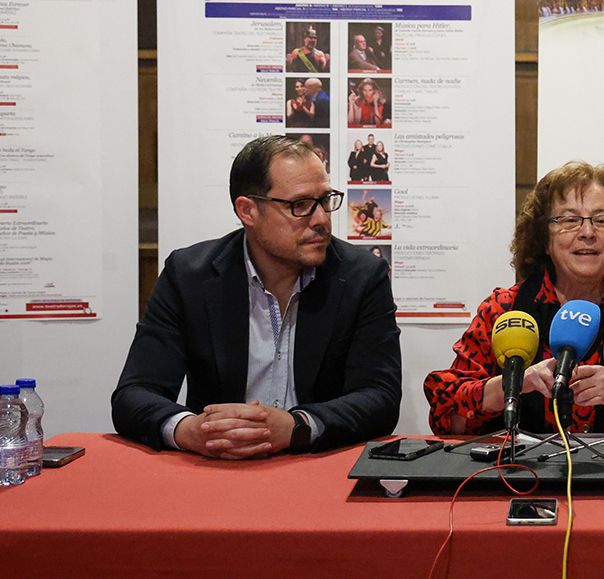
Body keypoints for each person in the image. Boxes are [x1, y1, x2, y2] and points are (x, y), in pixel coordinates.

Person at [112, 135, 400, 458]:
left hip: (318, 469)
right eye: (300, 205)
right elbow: (133, 394)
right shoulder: (190, 275)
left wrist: (297, 427)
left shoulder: (363, 277)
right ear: (248, 211)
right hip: (218, 470)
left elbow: (381, 398)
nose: (321, 219)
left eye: (325, 200)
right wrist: (190, 430)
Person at [425, 160, 604, 437]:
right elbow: (444, 414)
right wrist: (513, 384)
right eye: (569, 220)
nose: (588, 233)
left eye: (602, 220)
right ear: (544, 238)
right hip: (525, 485)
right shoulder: (503, 309)